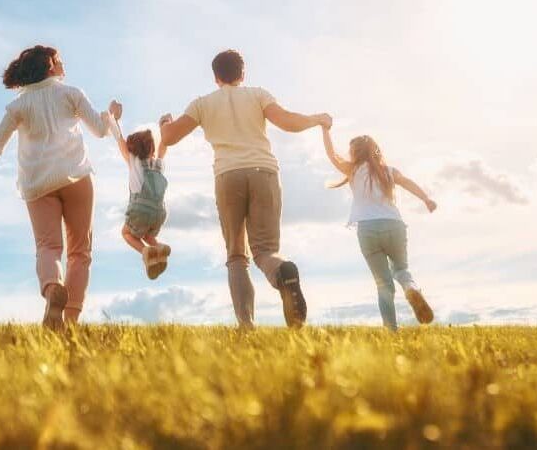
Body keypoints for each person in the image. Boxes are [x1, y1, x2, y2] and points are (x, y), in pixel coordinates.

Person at [0, 45, 118, 330]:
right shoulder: (72, 93)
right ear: (50, 66)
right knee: (79, 253)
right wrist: (111, 115)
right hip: (77, 178)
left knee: (48, 247)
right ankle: (70, 324)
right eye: (59, 60)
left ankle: (52, 291)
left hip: (38, 183)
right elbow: (100, 130)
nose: (63, 65)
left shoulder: (18, 106)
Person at [159, 49, 331, 329]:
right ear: (243, 74)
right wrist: (317, 119)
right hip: (264, 172)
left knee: (237, 255)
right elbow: (287, 121)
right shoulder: (258, 95)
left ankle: (246, 325)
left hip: (228, 177)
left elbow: (169, 137)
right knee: (265, 251)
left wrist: (164, 122)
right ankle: (281, 272)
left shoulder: (202, 103)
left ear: (216, 77)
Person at [321, 127, 437, 330]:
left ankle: (391, 331)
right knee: (401, 270)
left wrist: (325, 129)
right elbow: (407, 182)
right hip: (394, 226)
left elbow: (332, 154)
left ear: (354, 153)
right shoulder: (389, 171)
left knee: (383, 284)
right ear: (375, 150)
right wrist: (426, 199)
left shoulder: (353, 170)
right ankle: (411, 288)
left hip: (367, 231)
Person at [109, 114, 171, 279]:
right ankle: (159, 248)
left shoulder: (134, 163)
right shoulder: (158, 164)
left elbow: (119, 139)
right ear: (152, 149)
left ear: (133, 150)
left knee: (126, 233)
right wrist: (165, 125)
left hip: (140, 211)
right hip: (159, 213)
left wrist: (112, 118)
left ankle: (145, 251)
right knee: (146, 233)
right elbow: (164, 147)